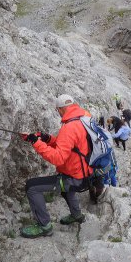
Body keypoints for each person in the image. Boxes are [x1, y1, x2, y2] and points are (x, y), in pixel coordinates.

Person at [20, 94, 97, 238]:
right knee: (66, 190)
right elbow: (71, 147)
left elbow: (58, 158)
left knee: (32, 187)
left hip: (74, 178)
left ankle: (44, 226)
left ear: (60, 109)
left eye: (57, 110)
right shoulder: (84, 120)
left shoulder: (69, 127)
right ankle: (77, 215)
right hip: (85, 173)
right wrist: (47, 139)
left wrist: (35, 142)